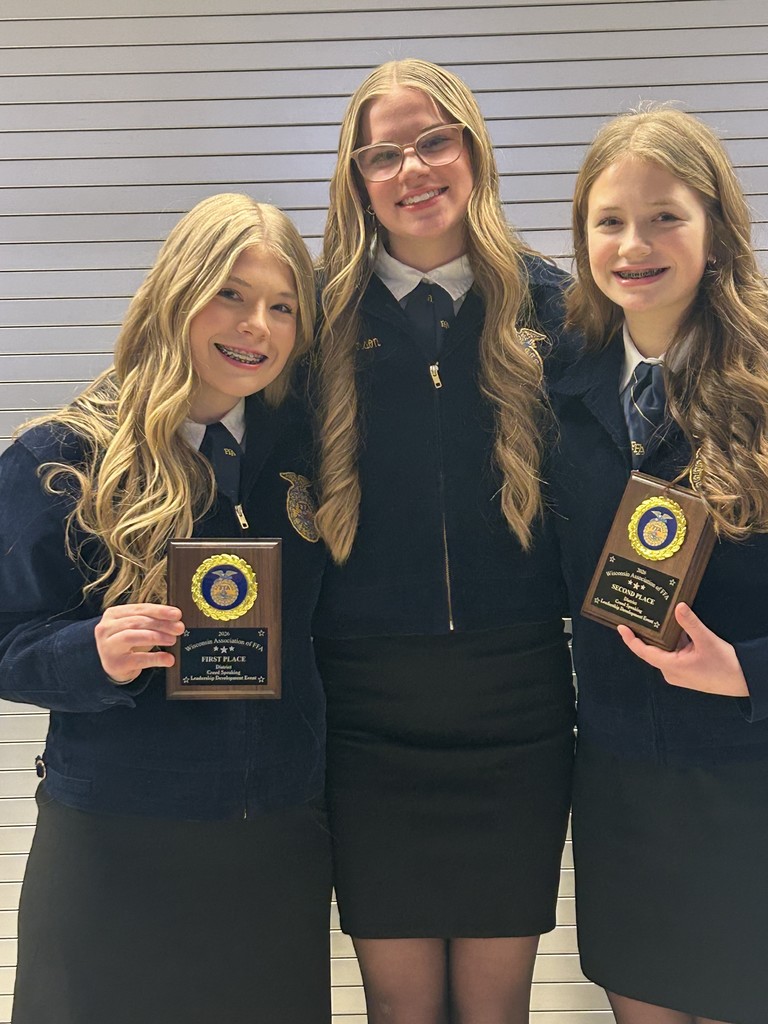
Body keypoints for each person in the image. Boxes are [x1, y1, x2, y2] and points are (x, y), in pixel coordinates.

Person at [0, 194, 331, 1024]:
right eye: (231, 294)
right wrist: (88, 654)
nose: (256, 325)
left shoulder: (308, 452)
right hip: (115, 839)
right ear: (177, 292)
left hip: (274, 841)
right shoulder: (62, 457)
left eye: (282, 306)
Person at [311, 59, 576, 1024]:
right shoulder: (314, 318)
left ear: (473, 150)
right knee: (401, 1008)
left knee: (498, 1009)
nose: (412, 169)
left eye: (433, 141)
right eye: (383, 155)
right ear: (357, 181)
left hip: (519, 707)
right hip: (365, 716)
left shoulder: (557, 308)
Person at [548, 107, 768, 1024]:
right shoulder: (557, 387)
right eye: (610, 221)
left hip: (747, 778)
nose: (634, 245)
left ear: (715, 230)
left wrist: (747, 670)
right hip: (620, 783)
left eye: (665, 216)